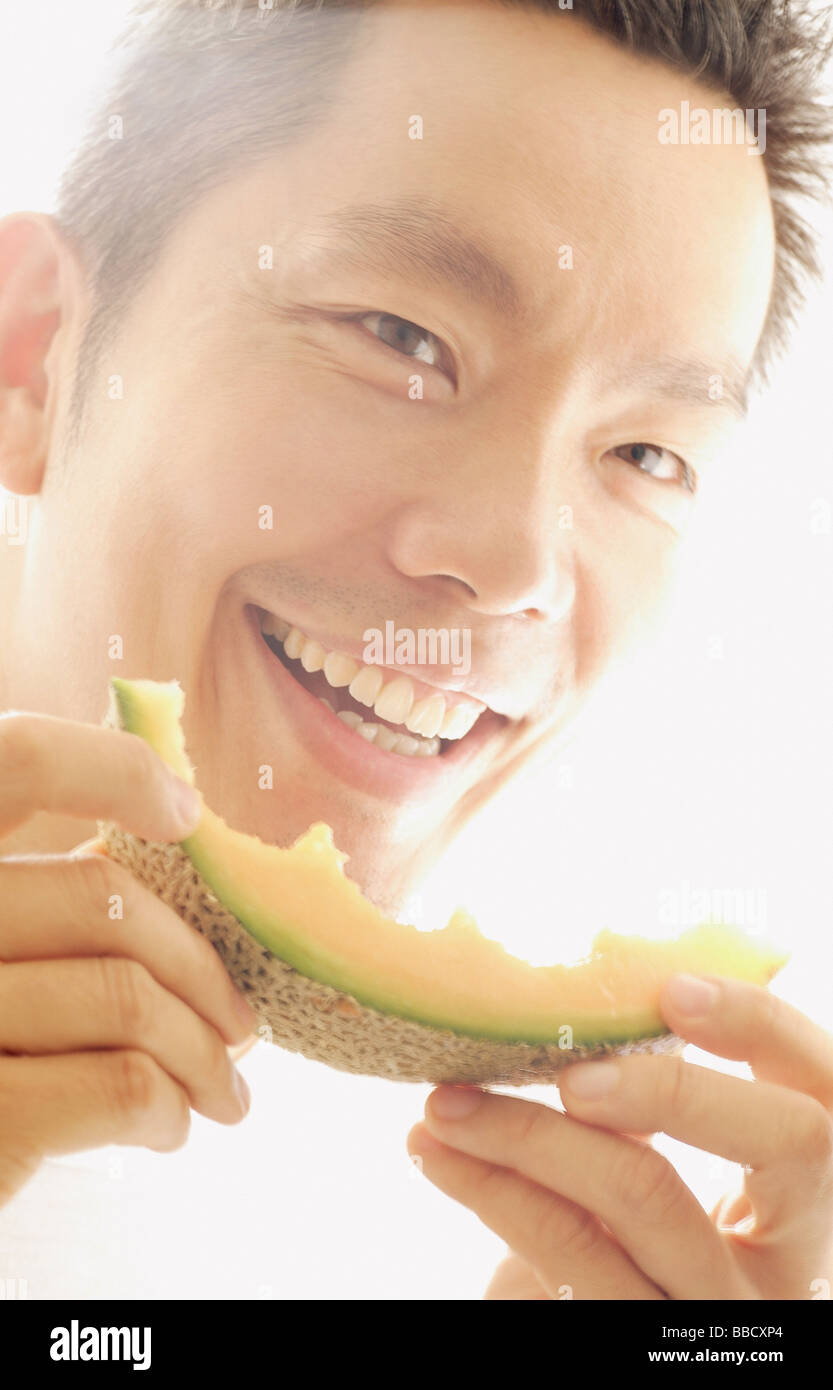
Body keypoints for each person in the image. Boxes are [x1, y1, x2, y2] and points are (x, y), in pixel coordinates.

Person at [0, 0, 831, 1300]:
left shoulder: (492, 1222)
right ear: (37, 359)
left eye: (643, 453)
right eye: (400, 338)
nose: (514, 566)